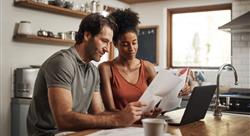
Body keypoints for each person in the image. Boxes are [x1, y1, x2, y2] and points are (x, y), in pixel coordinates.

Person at [27, 13, 145, 136]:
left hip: (76, 132)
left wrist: (134, 115)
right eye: (104, 41)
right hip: (50, 133)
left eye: (109, 43)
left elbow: (98, 113)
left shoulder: (93, 71)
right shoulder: (62, 62)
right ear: (87, 35)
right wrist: (117, 119)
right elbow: (63, 119)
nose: (107, 49)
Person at [99, 9, 190, 112]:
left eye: (134, 42)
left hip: (147, 123)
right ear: (115, 43)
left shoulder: (147, 67)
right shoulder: (106, 69)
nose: (131, 48)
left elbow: (160, 102)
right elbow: (110, 110)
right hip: (121, 126)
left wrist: (179, 91)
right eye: (125, 44)